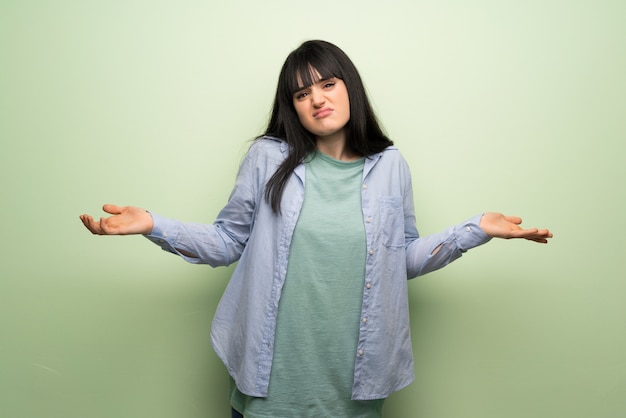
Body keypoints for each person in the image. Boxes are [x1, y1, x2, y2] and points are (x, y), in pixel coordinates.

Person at [79, 40, 552, 418]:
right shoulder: (268, 157)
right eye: (302, 94)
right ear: (292, 106)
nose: (317, 100)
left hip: (355, 380)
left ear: (350, 87)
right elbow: (228, 242)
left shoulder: (390, 166)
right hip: (270, 378)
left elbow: (399, 258)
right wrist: (153, 225)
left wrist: (476, 229)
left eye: (327, 84)